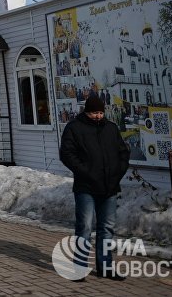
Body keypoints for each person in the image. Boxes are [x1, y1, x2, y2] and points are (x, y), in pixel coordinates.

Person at [59, 95, 131, 280]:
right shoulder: (74, 128)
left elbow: (123, 152)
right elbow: (67, 154)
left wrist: (118, 172)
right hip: (86, 186)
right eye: (94, 113)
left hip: (110, 186)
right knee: (84, 227)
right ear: (87, 112)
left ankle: (105, 267)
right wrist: (86, 172)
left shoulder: (111, 128)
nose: (98, 116)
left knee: (106, 228)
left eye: (100, 112)